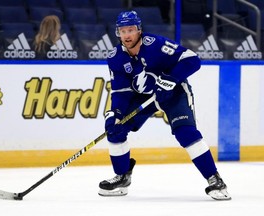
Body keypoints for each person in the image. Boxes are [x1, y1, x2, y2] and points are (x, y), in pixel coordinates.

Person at [98, 10, 231, 201]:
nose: (127, 35)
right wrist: (116, 113)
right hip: (144, 97)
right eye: (122, 31)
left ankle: (215, 179)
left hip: (173, 92)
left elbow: (192, 60)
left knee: (186, 133)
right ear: (118, 33)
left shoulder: (155, 44)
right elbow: (121, 91)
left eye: (131, 30)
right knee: (115, 129)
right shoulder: (115, 57)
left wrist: (170, 79)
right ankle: (122, 177)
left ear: (139, 30)